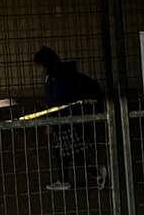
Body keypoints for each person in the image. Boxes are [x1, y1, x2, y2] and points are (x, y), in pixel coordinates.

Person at [34, 47, 108, 192]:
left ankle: (89, 173)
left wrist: (51, 123)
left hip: (65, 120)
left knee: (67, 151)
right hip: (64, 119)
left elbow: (58, 102)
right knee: (66, 151)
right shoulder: (56, 75)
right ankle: (88, 174)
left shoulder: (57, 77)